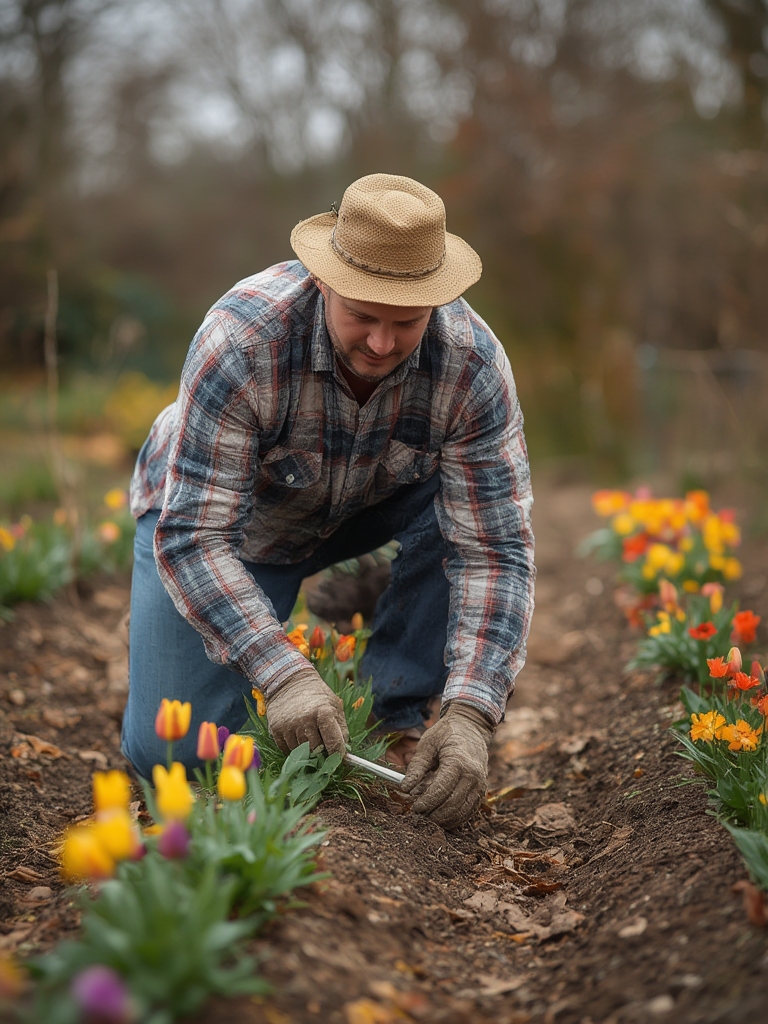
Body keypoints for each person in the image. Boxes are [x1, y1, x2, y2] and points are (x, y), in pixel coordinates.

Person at [122, 173, 535, 830]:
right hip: (232, 529)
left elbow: (496, 547)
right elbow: (195, 535)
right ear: (322, 282)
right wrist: (283, 674)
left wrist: (472, 713)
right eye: (362, 316)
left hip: (370, 508)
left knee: (460, 517)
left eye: (405, 322)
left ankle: (397, 706)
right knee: (173, 753)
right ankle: (215, 615)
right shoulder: (244, 341)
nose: (380, 343)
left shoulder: (471, 365)